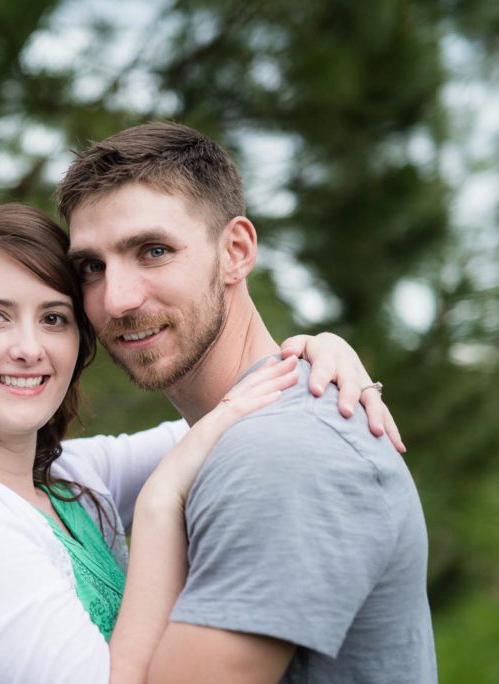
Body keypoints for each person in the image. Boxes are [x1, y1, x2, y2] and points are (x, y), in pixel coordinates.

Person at [0, 204, 402, 683]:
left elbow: (231, 413)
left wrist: (317, 352)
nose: (28, 348)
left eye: (54, 318)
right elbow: (198, 442)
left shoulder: (67, 479)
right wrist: (161, 503)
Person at [57, 121, 435, 682]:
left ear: (235, 251)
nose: (116, 299)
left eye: (154, 251)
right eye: (93, 266)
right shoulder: (232, 431)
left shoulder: (281, 455)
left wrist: (161, 502)